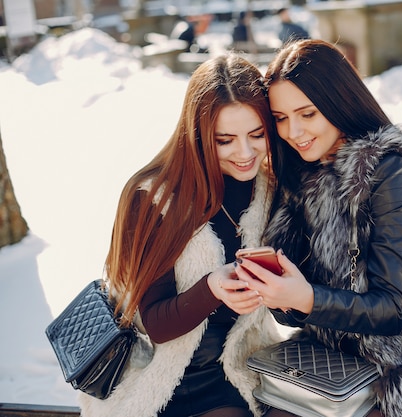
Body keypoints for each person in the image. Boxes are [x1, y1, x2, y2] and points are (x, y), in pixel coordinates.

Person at [234, 39, 402, 417]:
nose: (293, 131)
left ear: (338, 102)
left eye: (307, 113)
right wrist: (282, 296)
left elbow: (391, 309)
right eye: (280, 118)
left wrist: (305, 297)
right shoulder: (300, 175)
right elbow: (302, 308)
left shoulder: (389, 173)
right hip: (339, 372)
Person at [78, 54, 283, 417]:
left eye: (257, 134)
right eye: (225, 140)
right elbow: (155, 324)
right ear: (198, 134)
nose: (245, 153)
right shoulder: (153, 197)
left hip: (242, 369)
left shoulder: (269, 188)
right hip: (164, 378)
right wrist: (212, 288)